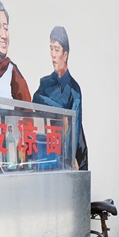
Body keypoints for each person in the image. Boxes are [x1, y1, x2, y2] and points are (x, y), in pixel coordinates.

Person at [32, 26, 88, 170]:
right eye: (51, 49)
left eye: (57, 50)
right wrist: (62, 112)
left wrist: (70, 159)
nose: (53, 55)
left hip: (74, 153)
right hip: (49, 148)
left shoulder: (74, 90)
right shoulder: (45, 83)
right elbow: (36, 100)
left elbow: (74, 125)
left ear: (65, 54)